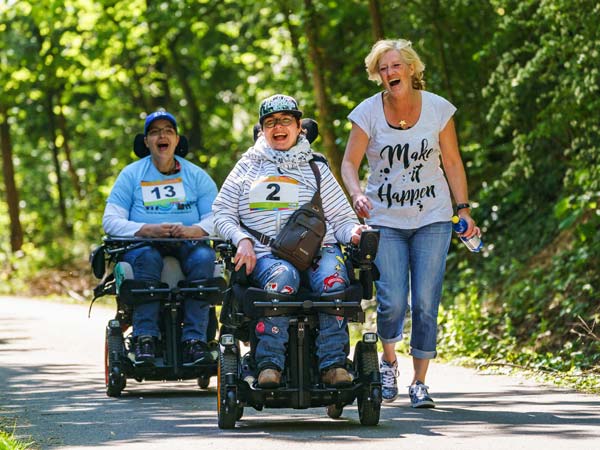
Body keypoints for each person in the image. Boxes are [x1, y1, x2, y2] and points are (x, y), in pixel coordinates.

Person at [341, 39, 480, 408]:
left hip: (432, 217)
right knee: (391, 301)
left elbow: (451, 162)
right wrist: (356, 194)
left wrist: (462, 209)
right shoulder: (367, 113)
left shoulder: (437, 109)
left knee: (425, 300)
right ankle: (389, 362)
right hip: (385, 221)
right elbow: (349, 164)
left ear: (412, 69)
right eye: (383, 69)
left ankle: (420, 382)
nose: (390, 73)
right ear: (377, 76)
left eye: (395, 66)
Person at [213, 94, 369, 388]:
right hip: (264, 255)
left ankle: (332, 364)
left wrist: (356, 233)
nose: (278, 127)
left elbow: (343, 219)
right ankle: (269, 363)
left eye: (286, 120)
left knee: (334, 279)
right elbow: (221, 213)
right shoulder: (247, 166)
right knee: (284, 276)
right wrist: (242, 239)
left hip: (318, 250)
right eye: (270, 122)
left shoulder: (316, 167)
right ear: (261, 130)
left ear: (300, 127)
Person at [102, 110, 218, 366]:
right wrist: (145, 229)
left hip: (188, 242)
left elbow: (218, 217)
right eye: (155, 131)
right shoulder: (131, 175)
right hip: (143, 244)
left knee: (204, 257)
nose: (162, 135)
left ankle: (195, 340)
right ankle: (145, 337)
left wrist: (196, 230)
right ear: (146, 142)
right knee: (147, 258)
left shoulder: (197, 176)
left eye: (168, 130)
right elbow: (110, 220)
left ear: (177, 140)